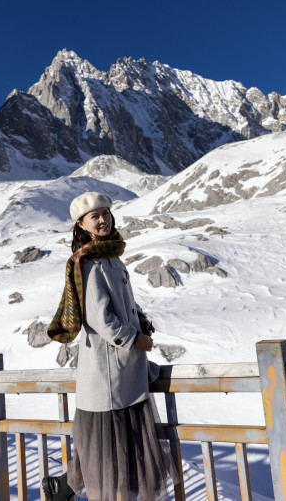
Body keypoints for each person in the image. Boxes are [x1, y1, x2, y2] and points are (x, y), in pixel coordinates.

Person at [44, 192, 177, 501]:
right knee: (111, 459)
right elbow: (101, 319)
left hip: (124, 371)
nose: (103, 219)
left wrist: (139, 317)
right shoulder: (89, 263)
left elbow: (123, 304)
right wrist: (136, 339)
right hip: (109, 376)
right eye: (95, 216)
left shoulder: (110, 256)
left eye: (106, 213)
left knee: (120, 453)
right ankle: (64, 487)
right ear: (81, 224)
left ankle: (62, 488)